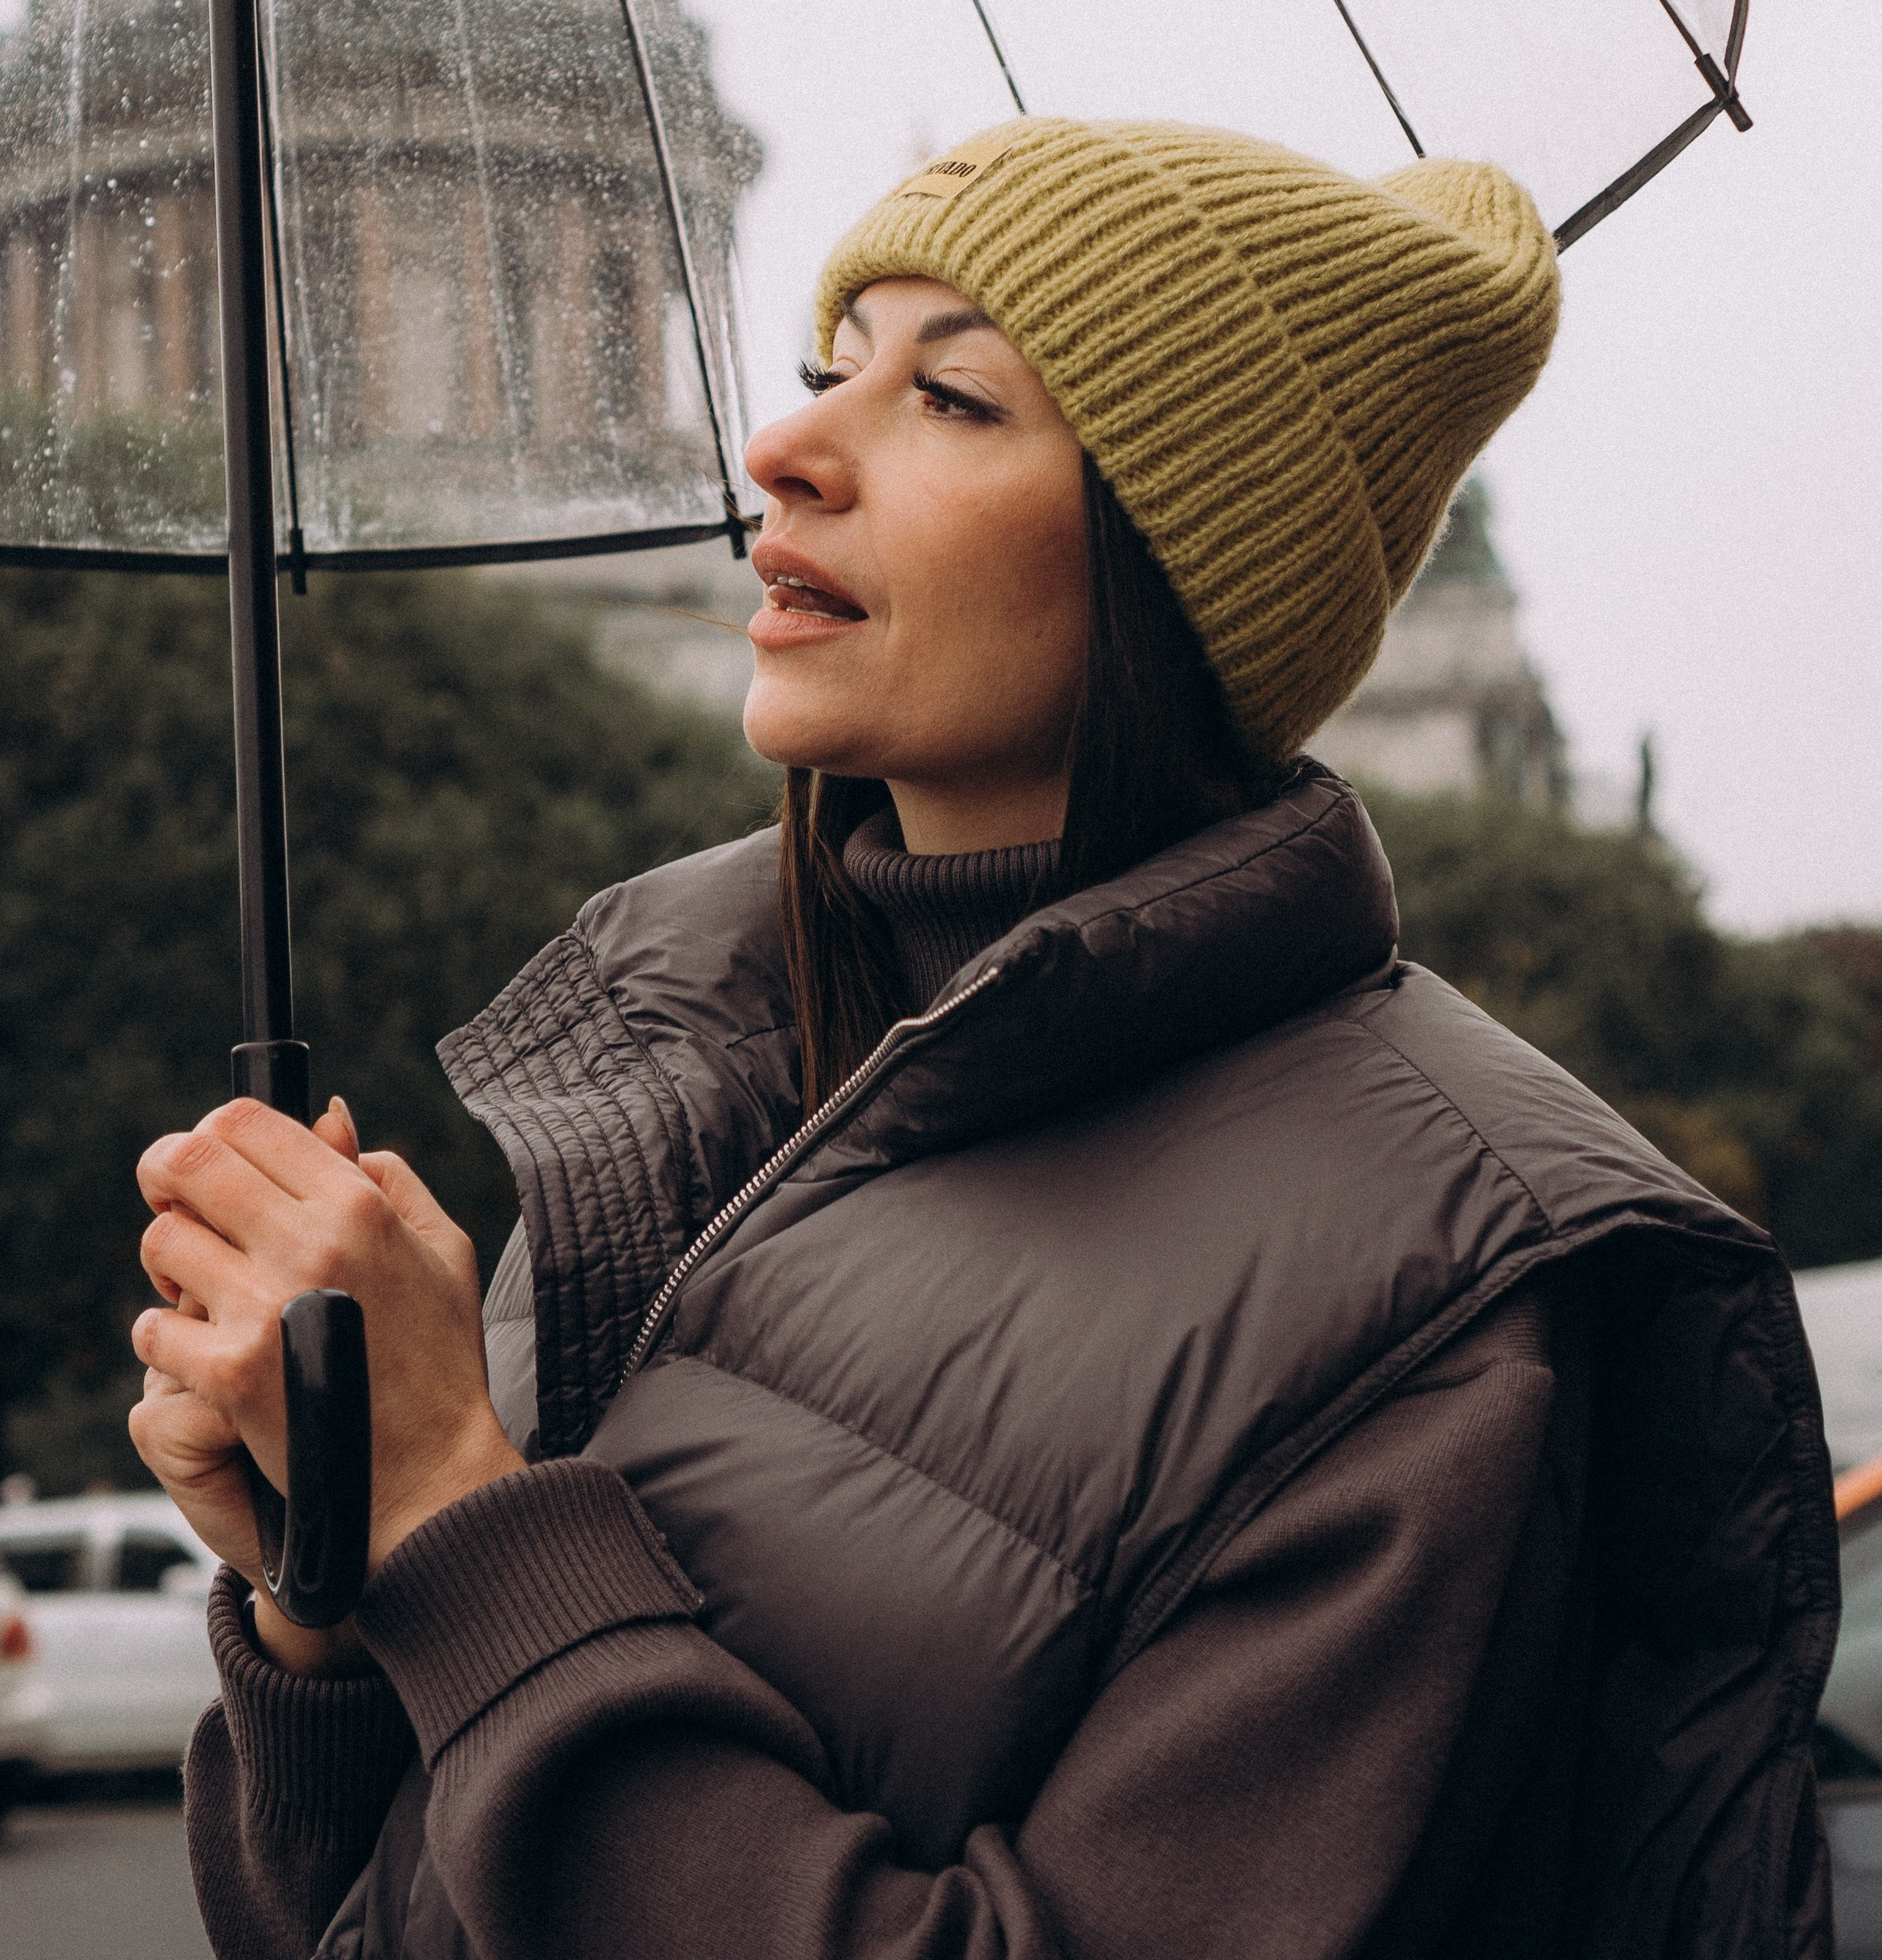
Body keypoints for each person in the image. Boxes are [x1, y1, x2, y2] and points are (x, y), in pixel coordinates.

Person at [132, 117, 1836, 1960]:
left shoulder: (1450, 1288)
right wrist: (325, 1586)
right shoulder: (690, 1095)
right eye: (822, 368)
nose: (778, 446)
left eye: (950, 400)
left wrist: (457, 1513)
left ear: (1186, 565)